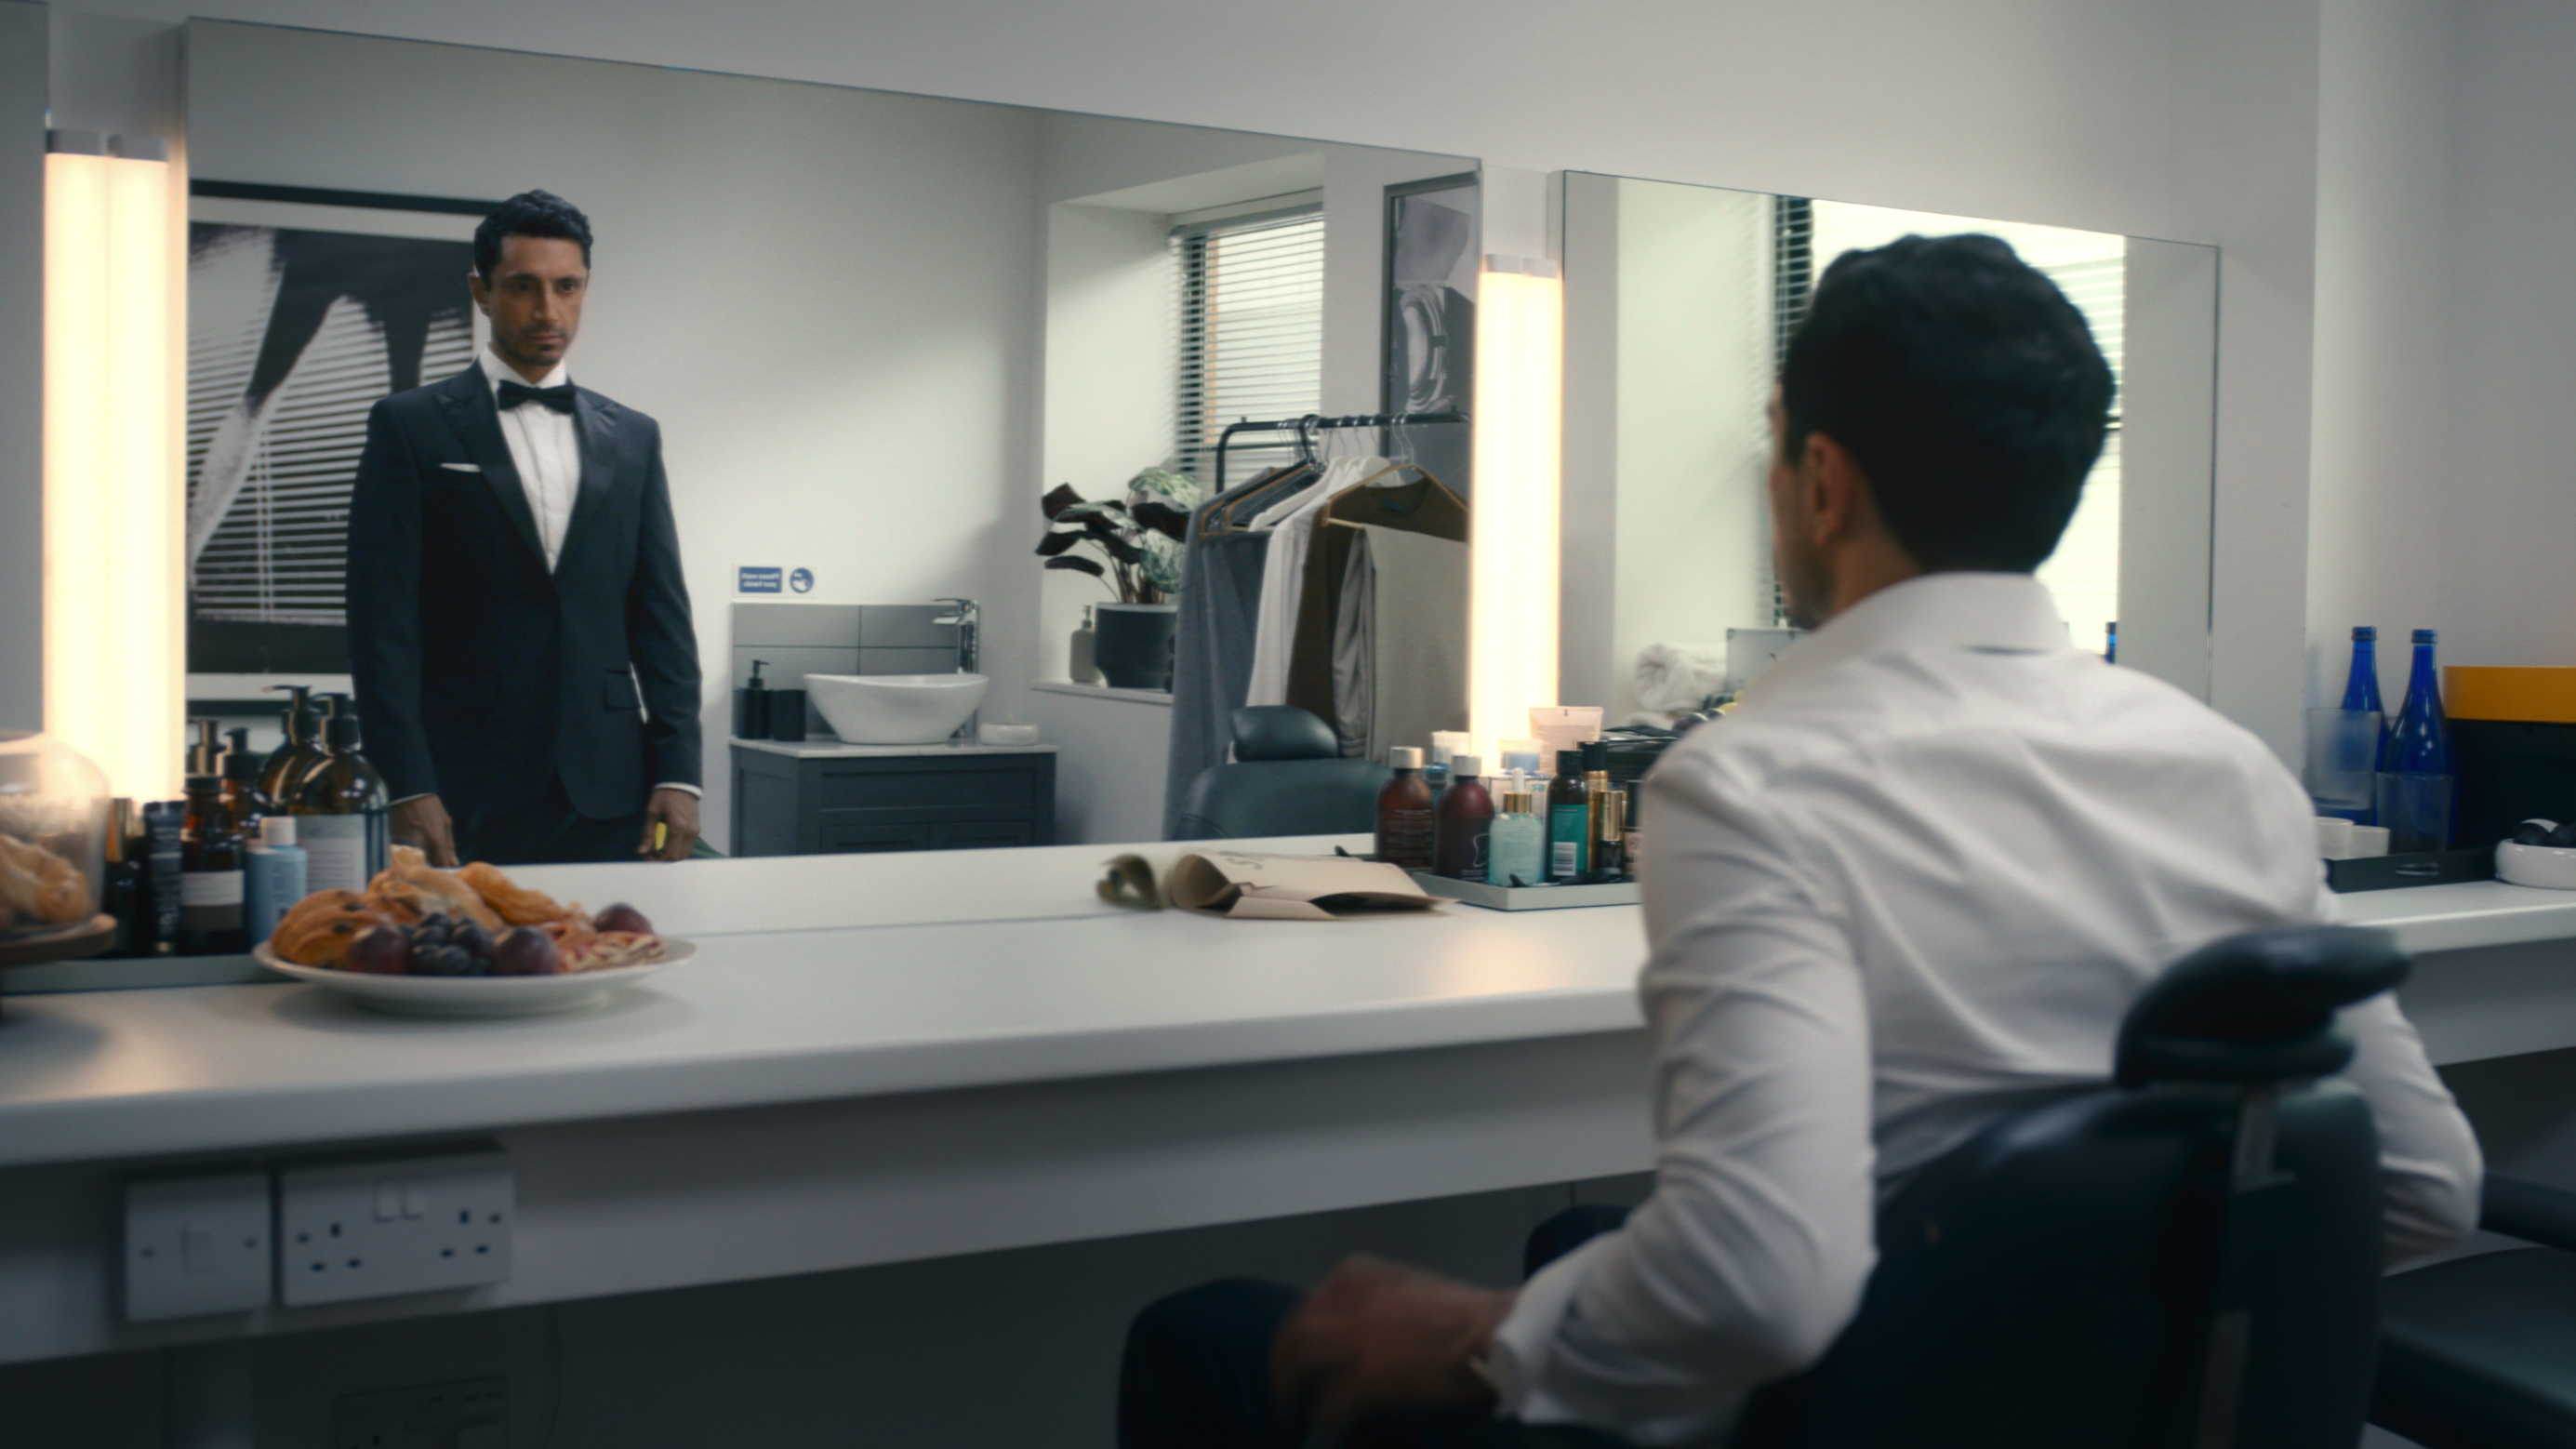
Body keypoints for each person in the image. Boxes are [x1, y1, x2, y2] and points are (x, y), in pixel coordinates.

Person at [1117, 234, 2483, 1447]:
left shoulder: (1755, 781)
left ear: (1819, 480)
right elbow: (2422, 1185)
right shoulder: (2225, 771)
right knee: (1586, 1243)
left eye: (1771, 439)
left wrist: (1480, 1333)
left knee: (1205, 1330)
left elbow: (1761, 1280)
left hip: (1863, 1397)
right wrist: (2078, 1322)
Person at [345, 190, 703, 867]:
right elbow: (380, 624)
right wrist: (407, 783)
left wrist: (677, 772)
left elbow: (661, 618)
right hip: (464, 788)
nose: (548, 311)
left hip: (612, 786)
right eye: (522, 287)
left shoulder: (634, 437)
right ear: (480, 292)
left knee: (609, 959)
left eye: (567, 287)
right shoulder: (408, 426)